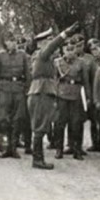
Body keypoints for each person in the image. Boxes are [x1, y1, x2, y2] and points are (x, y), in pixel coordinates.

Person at [27, 22, 80, 169]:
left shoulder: (44, 57)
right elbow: (52, 47)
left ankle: (38, 158)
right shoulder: (42, 54)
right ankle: (37, 160)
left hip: (43, 91)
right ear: (42, 43)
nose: (51, 43)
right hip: (41, 92)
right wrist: (65, 33)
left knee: (42, 126)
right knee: (40, 126)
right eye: (49, 40)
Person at [0, 33, 31, 159]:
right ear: (5, 43)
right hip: (4, 90)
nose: (12, 43)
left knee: (18, 119)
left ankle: (13, 147)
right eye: (9, 41)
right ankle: (7, 148)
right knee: (4, 119)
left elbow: (28, 74)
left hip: (18, 90)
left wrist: (26, 90)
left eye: (14, 41)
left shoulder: (22, 55)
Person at [53, 39, 90, 160]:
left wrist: (88, 98)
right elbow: (54, 80)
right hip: (61, 95)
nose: (69, 52)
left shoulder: (81, 63)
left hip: (76, 95)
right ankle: (59, 149)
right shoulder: (57, 62)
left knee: (76, 123)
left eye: (72, 49)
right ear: (63, 50)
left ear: (76, 50)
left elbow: (85, 82)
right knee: (60, 123)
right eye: (67, 49)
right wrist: (53, 96)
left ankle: (77, 150)